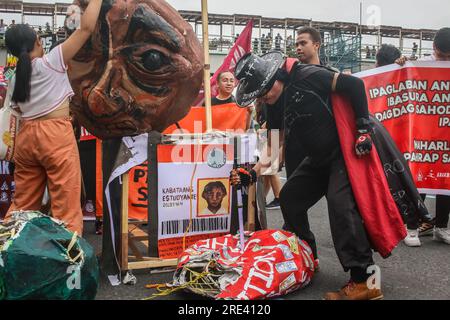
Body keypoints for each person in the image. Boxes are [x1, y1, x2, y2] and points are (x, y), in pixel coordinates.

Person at [231, 50, 413, 300]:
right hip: (318, 158)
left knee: (340, 206)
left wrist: (362, 128)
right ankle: (307, 255)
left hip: (345, 151)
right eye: (259, 95)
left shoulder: (308, 75)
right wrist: (251, 173)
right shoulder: (272, 103)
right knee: (291, 198)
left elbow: (355, 84)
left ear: (276, 76)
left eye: (264, 90)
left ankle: (365, 282)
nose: (263, 97)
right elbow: (274, 148)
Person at [4, 0, 103, 236]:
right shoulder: (53, 61)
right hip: (55, 137)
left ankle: (8, 251)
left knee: (22, 206)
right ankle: (67, 261)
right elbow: (86, 29)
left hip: (26, 140)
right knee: (66, 207)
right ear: (39, 41)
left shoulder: (14, 77)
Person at [396, 27, 450, 246]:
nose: (445, 60)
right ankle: (412, 227)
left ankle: (442, 227)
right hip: (422, 134)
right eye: (442, 56)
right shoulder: (420, 64)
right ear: (434, 47)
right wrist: (402, 64)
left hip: (445, 133)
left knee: (446, 180)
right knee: (417, 179)